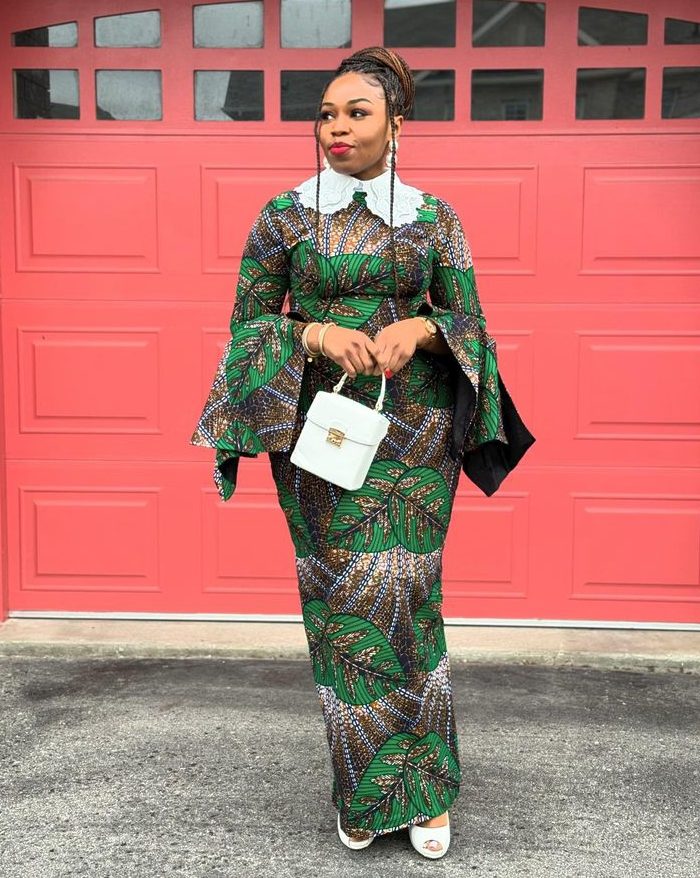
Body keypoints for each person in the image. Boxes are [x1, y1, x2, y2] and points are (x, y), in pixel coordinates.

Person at [190, 47, 535, 859]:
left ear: (397, 124)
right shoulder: (283, 218)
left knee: (409, 599)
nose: (336, 128)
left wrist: (420, 329)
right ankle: (364, 791)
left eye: (356, 113)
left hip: (415, 437)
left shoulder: (435, 219)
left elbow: (472, 325)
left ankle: (425, 792)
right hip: (321, 438)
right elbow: (246, 329)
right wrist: (313, 334)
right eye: (326, 114)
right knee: (338, 603)